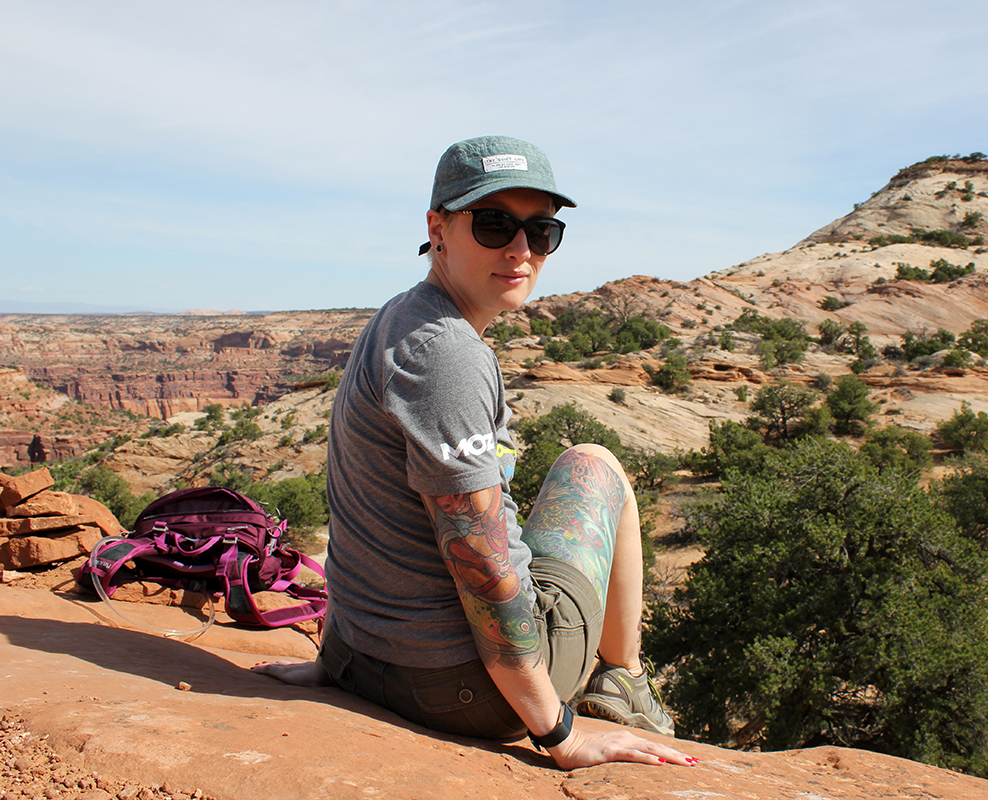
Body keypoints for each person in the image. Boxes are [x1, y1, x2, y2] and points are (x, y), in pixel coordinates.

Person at [253, 136, 694, 770]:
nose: (520, 250)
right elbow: (483, 570)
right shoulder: (448, 354)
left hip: (362, 659)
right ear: (438, 228)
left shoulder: (398, 316)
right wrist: (559, 735)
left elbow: (362, 505)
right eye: (493, 225)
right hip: (464, 690)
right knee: (594, 463)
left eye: (541, 232)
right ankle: (621, 682)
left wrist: (334, 658)